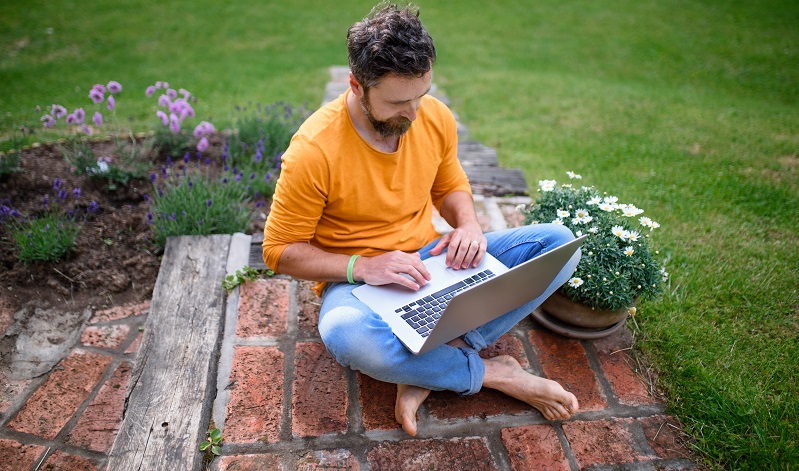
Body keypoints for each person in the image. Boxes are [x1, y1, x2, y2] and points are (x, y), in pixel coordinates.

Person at [262, 1, 580, 436]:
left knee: (560, 246)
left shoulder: (433, 116)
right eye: (397, 102)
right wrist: (363, 266)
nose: (413, 114)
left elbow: (450, 186)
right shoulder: (312, 152)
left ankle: (427, 366)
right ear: (356, 85)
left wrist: (468, 225)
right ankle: (490, 372)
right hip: (358, 285)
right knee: (345, 335)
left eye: (420, 96)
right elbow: (279, 252)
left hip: (432, 260)